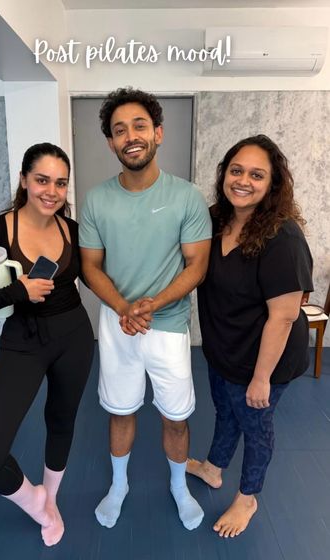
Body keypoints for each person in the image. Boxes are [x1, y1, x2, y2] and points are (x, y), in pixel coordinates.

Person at [79, 87, 212, 531]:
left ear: (158, 133)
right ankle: (119, 485)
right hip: (117, 323)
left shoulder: (187, 197)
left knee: (176, 416)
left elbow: (197, 266)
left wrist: (153, 303)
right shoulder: (96, 199)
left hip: (168, 324)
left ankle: (179, 486)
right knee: (120, 410)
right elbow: (90, 266)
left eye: (139, 126)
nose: (130, 136)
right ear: (110, 143)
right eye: (119, 130)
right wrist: (124, 307)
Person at [0, 142, 94, 547]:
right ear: (23, 180)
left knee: (61, 420)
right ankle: (36, 501)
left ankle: (51, 499)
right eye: (42, 180)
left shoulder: (72, 230)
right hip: (23, 341)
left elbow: (97, 277)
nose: (52, 191)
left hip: (74, 337)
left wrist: (135, 302)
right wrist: (18, 291)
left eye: (61, 183)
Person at [186, 134, 313, 538]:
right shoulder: (214, 219)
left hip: (265, 359)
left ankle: (248, 498)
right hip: (224, 348)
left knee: (256, 427)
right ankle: (213, 468)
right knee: (226, 412)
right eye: (236, 170)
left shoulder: (283, 237)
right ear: (224, 174)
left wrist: (261, 378)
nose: (243, 181)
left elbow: (284, 316)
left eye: (257, 175)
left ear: (273, 183)